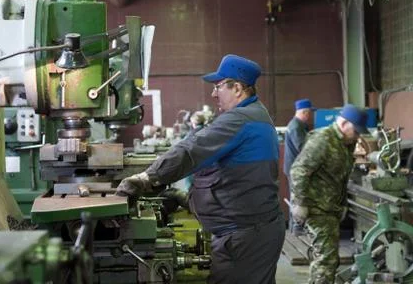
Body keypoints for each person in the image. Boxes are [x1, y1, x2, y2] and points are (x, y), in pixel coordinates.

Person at [116, 54, 285, 284]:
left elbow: (192, 150)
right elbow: (235, 181)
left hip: (245, 238)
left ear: (237, 88)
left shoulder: (241, 119)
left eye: (218, 86)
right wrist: (185, 199)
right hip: (251, 231)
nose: (214, 93)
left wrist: (147, 178)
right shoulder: (254, 115)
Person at [290, 104, 368, 284]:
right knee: (326, 260)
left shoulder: (346, 142)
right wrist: (300, 204)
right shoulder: (323, 140)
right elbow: (299, 170)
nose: (357, 136)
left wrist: (341, 205)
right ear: (344, 123)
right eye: (355, 131)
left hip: (330, 207)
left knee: (328, 259)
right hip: (316, 207)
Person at [283, 98, 315, 234]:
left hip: (295, 168)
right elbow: (303, 148)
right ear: (305, 113)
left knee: (296, 198)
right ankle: (296, 230)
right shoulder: (296, 126)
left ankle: (294, 229)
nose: (310, 116)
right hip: (296, 170)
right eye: (310, 113)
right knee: (298, 199)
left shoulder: (297, 125)